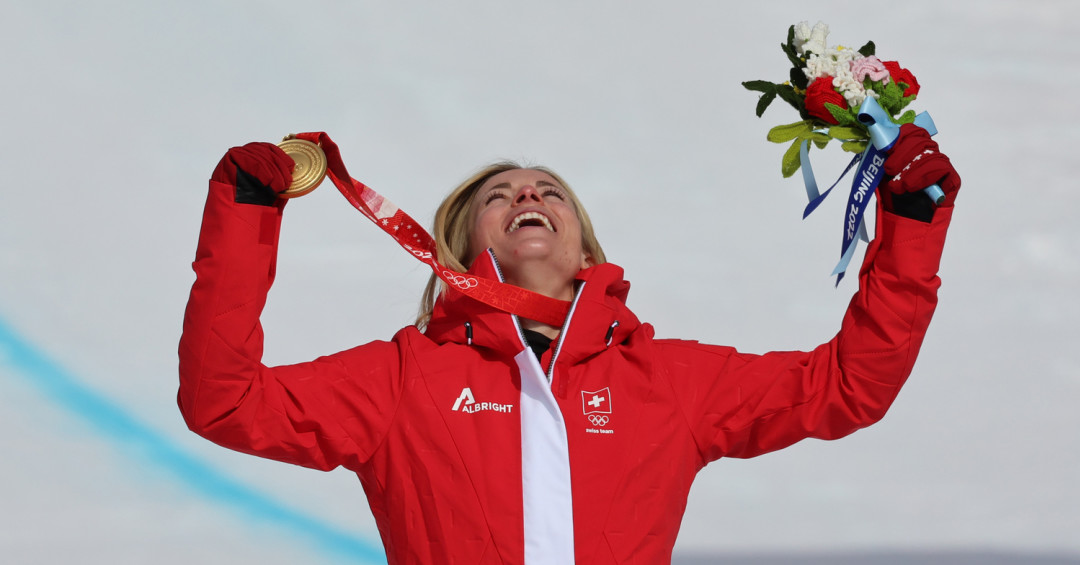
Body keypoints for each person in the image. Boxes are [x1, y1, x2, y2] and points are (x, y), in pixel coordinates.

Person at [178, 125, 959, 564]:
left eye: (549, 192)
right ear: (457, 247)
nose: (527, 194)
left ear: (587, 249)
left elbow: (849, 385)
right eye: (500, 195)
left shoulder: (667, 380)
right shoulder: (401, 378)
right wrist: (246, 214)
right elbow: (226, 400)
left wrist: (912, 228)